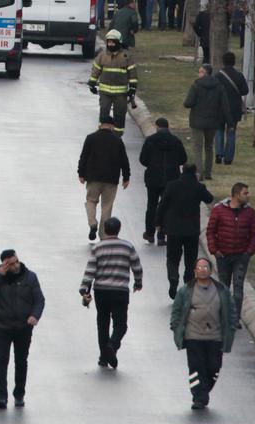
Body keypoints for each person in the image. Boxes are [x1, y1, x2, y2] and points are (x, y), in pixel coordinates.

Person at [168, 257, 236, 410]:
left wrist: (230, 330)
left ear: (210, 270)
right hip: (193, 337)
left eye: (205, 267)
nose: (202, 270)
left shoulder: (222, 290)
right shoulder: (185, 291)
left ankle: (205, 388)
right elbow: (177, 311)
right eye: (199, 268)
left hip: (215, 337)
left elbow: (231, 312)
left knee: (214, 366)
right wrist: (176, 327)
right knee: (196, 367)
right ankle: (199, 397)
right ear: (194, 271)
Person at [0, 249, 45, 409]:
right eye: (11, 264)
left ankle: (19, 394)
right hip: (2, 327)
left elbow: (39, 300)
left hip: (23, 327)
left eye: (16, 261)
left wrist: (35, 316)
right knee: (2, 360)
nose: (16, 266)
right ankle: (1, 396)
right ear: (4, 264)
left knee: (21, 361)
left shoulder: (30, 277)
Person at [78, 217, 143, 369]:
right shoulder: (127, 247)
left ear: (105, 230)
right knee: (121, 325)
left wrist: (84, 288)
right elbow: (137, 266)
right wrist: (138, 282)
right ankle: (112, 346)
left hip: (101, 291)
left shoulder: (98, 248)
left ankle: (103, 357)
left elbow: (90, 270)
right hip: (120, 291)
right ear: (119, 229)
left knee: (103, 324)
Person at [206, 182, 255, 328]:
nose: (248, 196)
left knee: (238, 287)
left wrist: (249, 252)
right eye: (245, 193)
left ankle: (235, 319)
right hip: (223, 255)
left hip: (241, 256)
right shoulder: (219, 210)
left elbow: (254, 234)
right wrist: (214, 250)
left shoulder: (249, 212)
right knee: (223, 287)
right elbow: (211, 231)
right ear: (236, 195)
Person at [157, 164, 214, 298]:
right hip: (191, 230)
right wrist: (198, 183)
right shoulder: (198, 187)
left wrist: (158, 223)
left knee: (172, 257)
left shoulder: (172, 185)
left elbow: (162, 205)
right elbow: (209, 198)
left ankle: (173, 277)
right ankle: (188, 282)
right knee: (190, 259)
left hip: (174, 229)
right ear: (195, 173)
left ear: (182, 171)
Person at [77, 115, 131, 242]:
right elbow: (124, 160)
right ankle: (104, 235)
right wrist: (126, 177)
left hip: (93, 178)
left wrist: (81, 173)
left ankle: (92, 223)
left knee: (91, 201)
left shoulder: (91, 138)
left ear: (100, 125)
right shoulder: (117, 141)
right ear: (112, 126)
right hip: (111, 179)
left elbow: (84, 156)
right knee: (107, 206)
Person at [138, 117, 187, 245]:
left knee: (151, 206)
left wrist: (152, 164)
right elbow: (183, 159)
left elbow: (143, 160)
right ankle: (162, 234)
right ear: (168, 127)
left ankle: (149, 233)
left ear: (157, 126)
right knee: (167, 207)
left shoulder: (150, 140)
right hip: (171, 178)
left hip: (153, 178)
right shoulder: (176, 141)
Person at [183, 64, 232, 180]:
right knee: (209, 147)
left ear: (205, 73)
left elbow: (188, 103)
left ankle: (199, 173)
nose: (198, 74)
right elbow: (225, 105)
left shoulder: (196, 85)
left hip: (197, 121)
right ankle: (208, 173)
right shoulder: (219, 86)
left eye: (200, 72)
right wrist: (230, 122)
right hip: (212, 121)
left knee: (198, 147)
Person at [87, 29, 138, 133]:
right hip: (105, 93)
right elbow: (96, 70)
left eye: (113, 42)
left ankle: (117, 135)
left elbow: (132, 74)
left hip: (121, 94)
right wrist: (92, 83)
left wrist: (133, 88)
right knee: (104, 113)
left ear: (118, 42)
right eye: (108, 42)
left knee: (119, 115)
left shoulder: (126, 57)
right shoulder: (102, 56)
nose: (110, 44)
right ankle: (102, 134)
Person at [214, 51, 250, 166]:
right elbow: (245, 91)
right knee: (231, 132)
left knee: (219, 130)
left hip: (219, 108)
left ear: (223, 62)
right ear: (234, 62)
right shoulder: (239, 76)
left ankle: (218, 153)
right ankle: (228, 158)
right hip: (234, 108)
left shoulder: (217, 76)